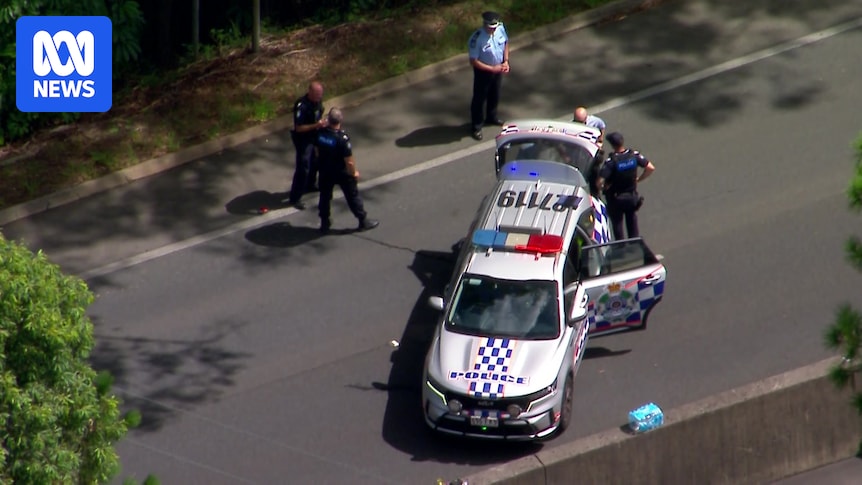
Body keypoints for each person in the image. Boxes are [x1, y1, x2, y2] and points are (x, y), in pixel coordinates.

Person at [313, 108, 379, 234]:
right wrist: (354, 173)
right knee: (352, 196)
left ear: (328, 119)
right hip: (341, 172)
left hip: (325, 170)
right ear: (340, 120)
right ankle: (362, 220)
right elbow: (349, 161)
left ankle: (324, 222)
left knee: (325, 196)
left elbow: (316, 151)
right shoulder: (342, 139)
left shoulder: (320, 133)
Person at [596, 132, 655, 239]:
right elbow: (650, 168)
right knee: (632, 221)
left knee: (617, 225)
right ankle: (634, 245)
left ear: (612, 145)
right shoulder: (634, 156)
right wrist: (638, 179)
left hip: (616, 198)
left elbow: (599, 182)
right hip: (631, 196)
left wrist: (604, 187)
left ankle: (621, 248)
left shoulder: (611, 162)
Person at [468, 11, 509, 141]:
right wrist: (491, 68)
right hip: (483, 72)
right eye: (490, 28)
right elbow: (473, 61)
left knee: (495, 94)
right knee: (479, 99)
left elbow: (506, 43)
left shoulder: (500, 28)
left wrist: (506, 61)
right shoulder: (477, 38)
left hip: (497, 69)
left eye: (494, 27)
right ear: (484, 24)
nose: (493, 30)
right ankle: (476, 125)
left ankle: (491, 117)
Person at [287, 81, 327, 209]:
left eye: (320, 95)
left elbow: (318, 114)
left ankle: (310, 184)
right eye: (316, 95)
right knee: (303, 166)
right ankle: (295, 197)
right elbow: (298, 128)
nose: (319, 98)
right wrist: (317, 125)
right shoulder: (301, 105)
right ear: (310, 92)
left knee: (316, 160)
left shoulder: (318, 102)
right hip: (303, 138)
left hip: (314, 134)